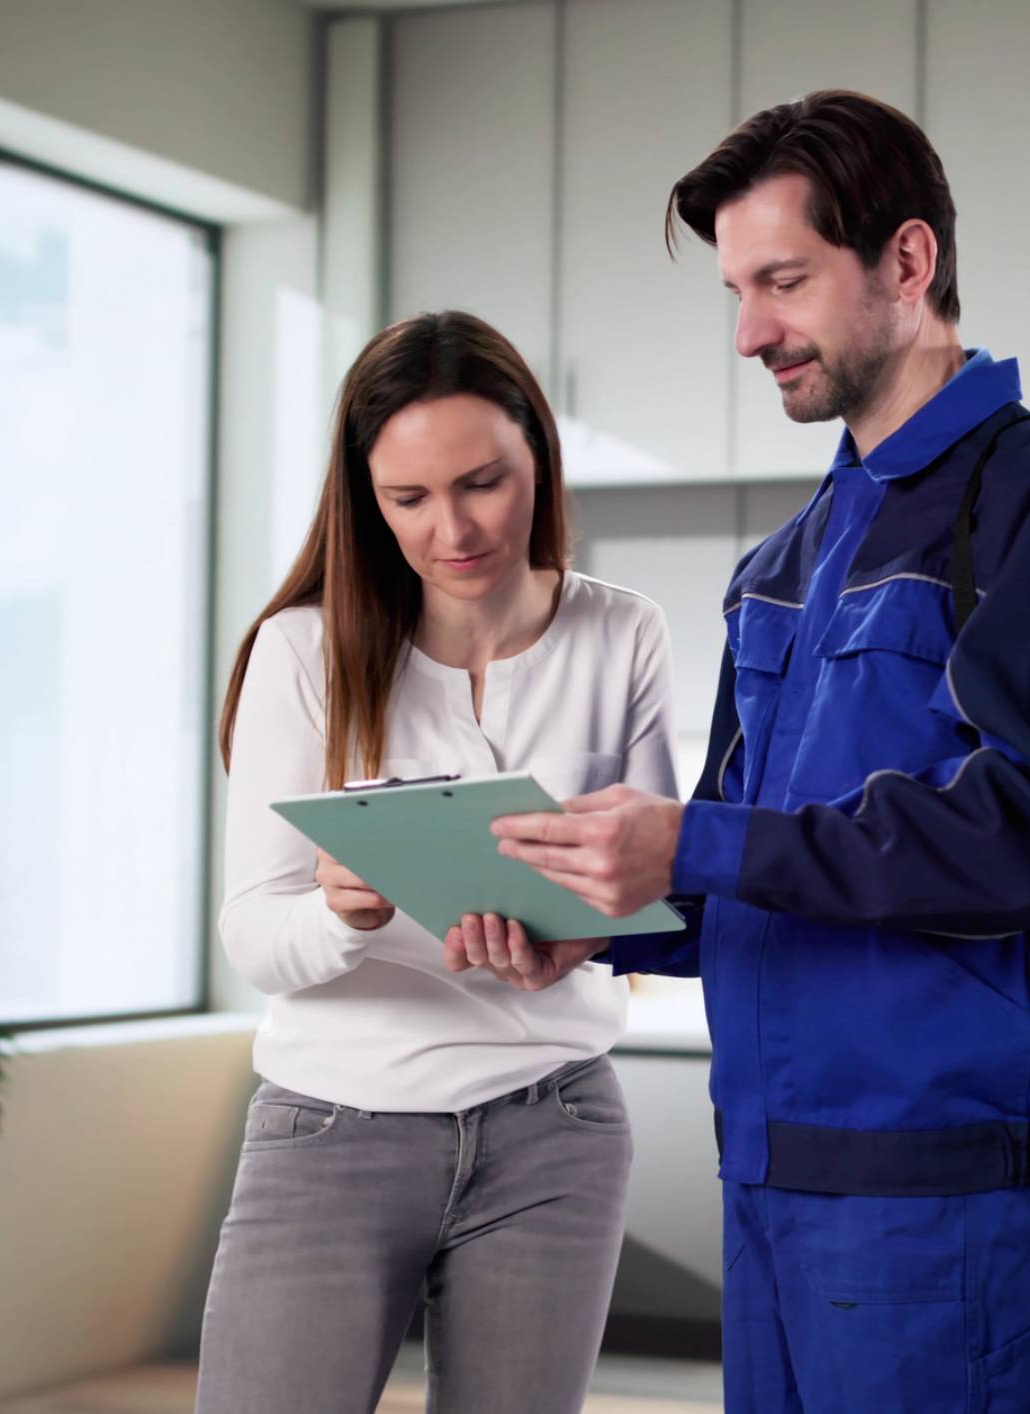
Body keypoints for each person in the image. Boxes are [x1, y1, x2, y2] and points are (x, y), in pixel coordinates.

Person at [460, 91, 1030, 1412]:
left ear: (907, 263)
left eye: (782, 282)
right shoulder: (782, 563)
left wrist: (688, 839)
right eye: (738, 290)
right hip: (767, 1183)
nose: (749, 332)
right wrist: (598, 922)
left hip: (931, 1202)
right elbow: (762, 866)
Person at [196, 311, 677, 1413]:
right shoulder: (304, 651)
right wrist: (340, 914)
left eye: (482, 483)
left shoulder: (624, 633)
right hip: (330, 1124)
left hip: (555, 1130)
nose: (450, 528)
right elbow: (251, 933)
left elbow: (654, 880)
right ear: (365, 498)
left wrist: (584, 934)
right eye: (406, 499)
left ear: (539, 466)